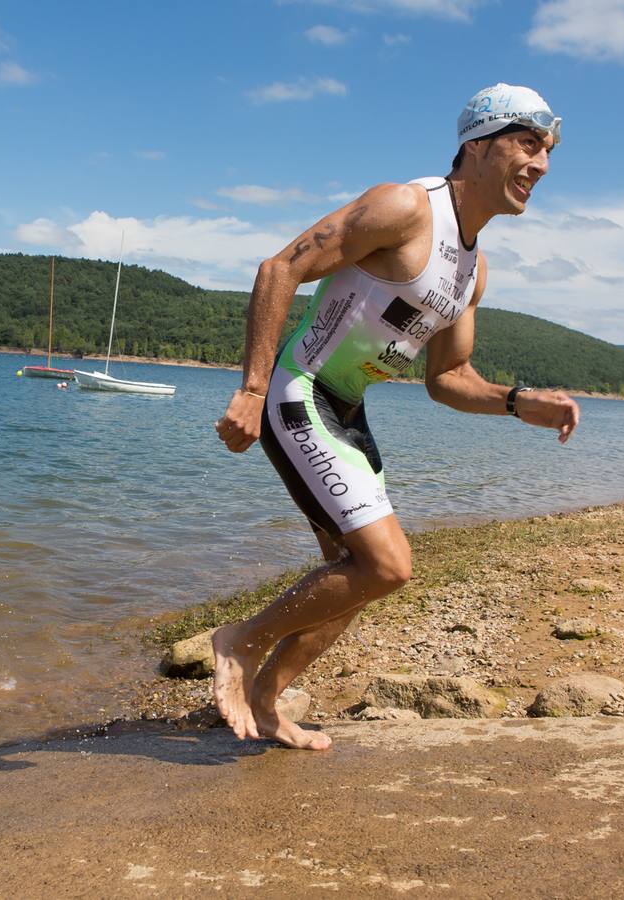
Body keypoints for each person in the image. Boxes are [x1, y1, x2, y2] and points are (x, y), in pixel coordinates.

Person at [211, 84, 581, 750]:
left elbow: (446, 379)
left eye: (547, 151)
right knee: (387, 566)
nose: (541, 165)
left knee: (352, 579)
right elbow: (279, 269)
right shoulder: (405, 208)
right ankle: (239, 641)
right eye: (527, 144)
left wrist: (517, 401)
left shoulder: (473, 271)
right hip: (299, 392)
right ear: (478, 144)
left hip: (346, 410)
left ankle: (265, 701)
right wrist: (250, 388)